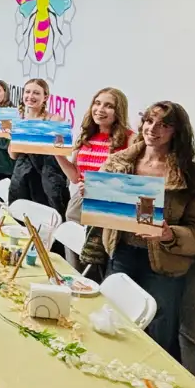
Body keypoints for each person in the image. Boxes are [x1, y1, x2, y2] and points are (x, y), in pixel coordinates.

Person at [67, 102, 195, 359]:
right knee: (112, 327)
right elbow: (85, 213)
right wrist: (89, 196)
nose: (153, 128)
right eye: (149, 120)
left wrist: (171, 235)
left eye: (164, 124)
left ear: (177, 132)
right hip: (121, 255)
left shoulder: (191, 179)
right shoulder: (117, 163)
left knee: (160, 339)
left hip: (165, 266)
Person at [55, 87, 132, 279]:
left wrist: (98, 187)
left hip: (107, 210)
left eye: (108, 106)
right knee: (75, 268)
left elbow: (131, 179)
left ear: (119, 111)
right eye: (97, 103)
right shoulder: (86, 136)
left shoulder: (130, 138)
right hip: (78, 207)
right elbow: (74, 177)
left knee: (98, 267)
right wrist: (57, 154)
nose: (100, 109)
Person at [8, 79, 71, 212]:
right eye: (27, 92)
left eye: (36, 93)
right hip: (23, 177)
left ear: (45, 97)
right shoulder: (19, 119)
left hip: (48, 179)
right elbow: (13, 155)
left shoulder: (55, 120)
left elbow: (63, 151)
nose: (30, 96)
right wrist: (15, 136)